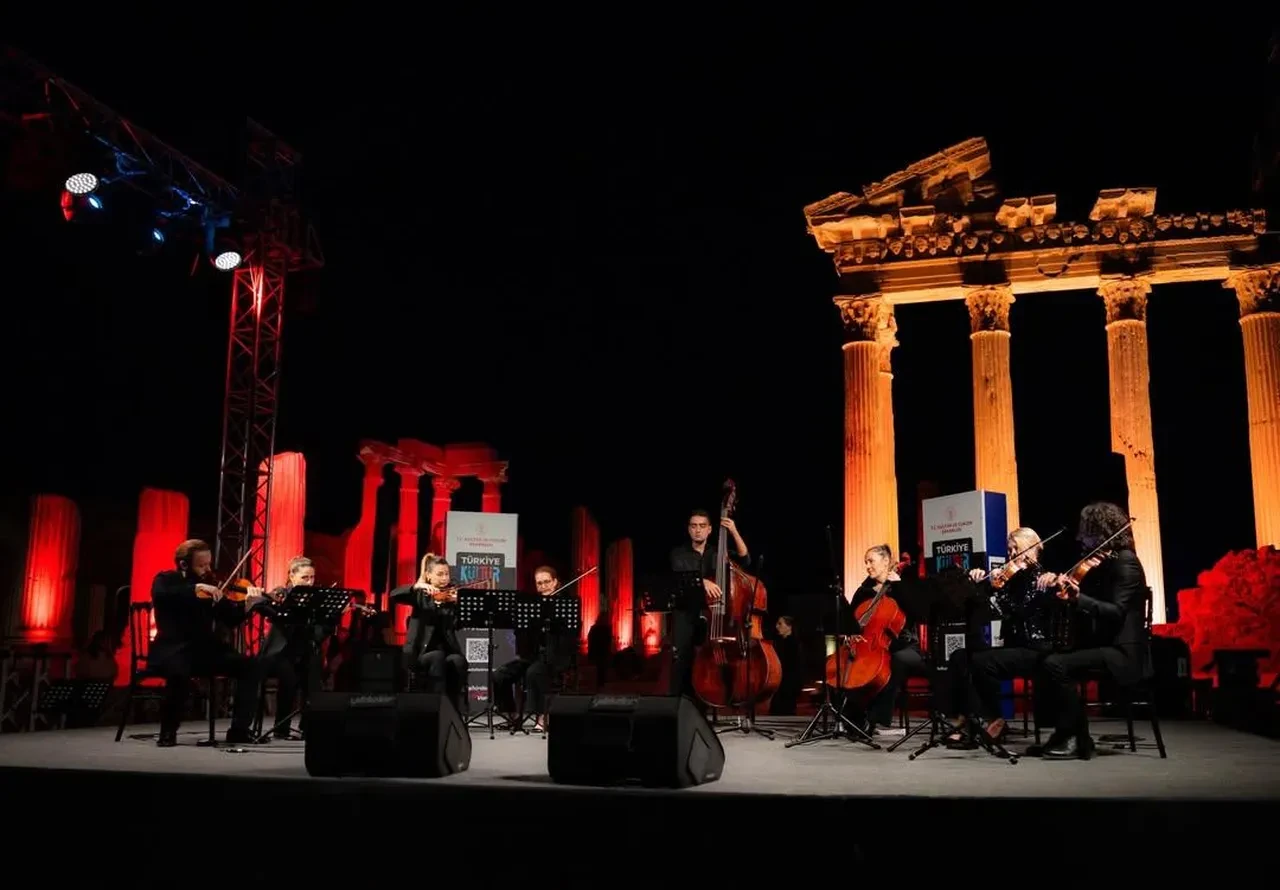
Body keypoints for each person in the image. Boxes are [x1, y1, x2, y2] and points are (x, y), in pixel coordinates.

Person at [1034, 502, 1147, 760]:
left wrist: (1079, 598)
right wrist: (1059, 585)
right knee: (1043, 658)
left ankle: (1076, 737)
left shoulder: (1126, 562)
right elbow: (1087, 603)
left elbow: (1116, 612)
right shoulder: (1102, 565)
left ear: (1100, 531)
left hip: (1123, 653)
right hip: (1102, 645)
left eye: (1085, 531)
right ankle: (1064, 733)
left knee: (1055, 665)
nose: (1079, 537)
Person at [148, 539, 265, 747]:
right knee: (178, 671)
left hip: (204, 651)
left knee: (251, 666)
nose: (208, 570)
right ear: (184, 564)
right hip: (173, 649)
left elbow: (230, 618)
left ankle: (239, 730)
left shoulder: (212, 589)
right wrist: (196, 588)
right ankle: (168, 731)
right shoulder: (166, 580)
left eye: (209, 564)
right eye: (202, 565)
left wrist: (248, 605)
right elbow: (162, 595)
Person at [945, 527, 1054, 747]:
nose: (1011, 555)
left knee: (982, 661)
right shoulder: (1011, 578)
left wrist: (998, 590)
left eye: (1016, 549)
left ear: (1032, 549)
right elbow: (983, 610)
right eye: (1009, 549)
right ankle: (966, 719)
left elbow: (1019, 611)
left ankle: (992, 720)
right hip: (1013, 647)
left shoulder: (1041, 578)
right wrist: (978, 584)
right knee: (960, 657)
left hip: (1035, 648)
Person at [832, 544, 925, 734]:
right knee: (839, 665)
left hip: (902, 645)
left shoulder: (902, 586)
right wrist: (849, 635)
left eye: (871, 561)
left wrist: (899, 586)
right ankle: (850, 717)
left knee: (894, 661)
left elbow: (919, 613)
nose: (867, 566)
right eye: (865, 562)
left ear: (886, 561)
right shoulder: (864, 591)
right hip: (869, 645)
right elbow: (851, 621)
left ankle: (876, 718)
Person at [668, 508, 751, 700]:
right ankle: (678, 706)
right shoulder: (678, 553)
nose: (698, 530)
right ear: (688, 529)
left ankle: (708, 700)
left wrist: (733, 531)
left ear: (710, 529)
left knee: (710, 661)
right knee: (682, 662)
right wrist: (703, 581)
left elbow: (745, 560)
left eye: (702, 526)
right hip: (686, 614)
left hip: (713, 615)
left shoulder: (718, 553)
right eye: (693, 526)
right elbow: (679, 576)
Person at [492, 565, 578, 732]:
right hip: (533, 656)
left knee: (534, 672)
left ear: (555, 582)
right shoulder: (531, 605)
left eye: (547, 582)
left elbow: (570, 636)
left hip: (556, 656)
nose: (543, 586)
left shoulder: (566, 603)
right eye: (539, 583)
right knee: (500, 675)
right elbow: (522, 634)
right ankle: (512, 716)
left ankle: (542, 717)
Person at [389, 553, 468, 715]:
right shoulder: (420, 596)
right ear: (429, 576)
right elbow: (394, 595)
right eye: (440, 574)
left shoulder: (451, 599)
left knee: (458, 661)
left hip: (447, 652)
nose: (445, 578)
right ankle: (437, 709)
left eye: (447, 574)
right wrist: (417, 586)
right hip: (420, 653)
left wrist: (458, 606)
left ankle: (455, 710)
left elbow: (458, 625)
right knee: (437, 656)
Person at [251, 555, 319, 739]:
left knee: (314, 675)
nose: (309, 582)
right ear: (292, 576)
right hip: (278, 652)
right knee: (289, 677)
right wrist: (271, 604)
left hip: (302, 651)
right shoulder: (281, 593)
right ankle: (281, 728)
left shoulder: (315, 599)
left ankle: (308, 727)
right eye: (305, 577)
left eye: (312, 577)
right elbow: (262, 607)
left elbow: (319, 631)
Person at [770, 615, 802, 716]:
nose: (777, 626)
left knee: (784, 711)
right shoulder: (779, 642)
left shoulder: (794, 643)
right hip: (781, 682)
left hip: (788, 685)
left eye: (780, 624)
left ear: (789, 627)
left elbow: (795, 666)